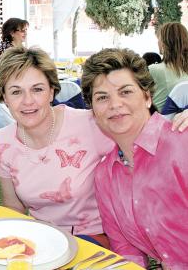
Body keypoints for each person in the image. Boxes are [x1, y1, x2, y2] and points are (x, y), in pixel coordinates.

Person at [0, 46, 114, 248]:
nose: (27, 101)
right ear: (4, 97)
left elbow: (142, 137)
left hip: (95, 240)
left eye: (37, 89)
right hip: (42, 242)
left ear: (51, 91)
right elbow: (13, 207)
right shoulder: (4, 140)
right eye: (16, 92)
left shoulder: (90, 124)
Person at [81, 48, 188, 268]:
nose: (115, 104)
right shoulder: (105, 176)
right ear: (93, 110)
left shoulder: (182, 143)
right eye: (102, 97)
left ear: (147, 97)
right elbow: (125, 248)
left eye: (126, 92)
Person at [150, 22, 188, 111]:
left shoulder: (155, 70)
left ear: (165, 43)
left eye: (159, 38)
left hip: (159, 122)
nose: (157, 42)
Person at [0, 17, 29, 82]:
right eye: (22, 31)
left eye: (26, 30)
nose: (26, 33)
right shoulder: (7, 49)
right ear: (12, 33)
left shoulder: (17, 47)